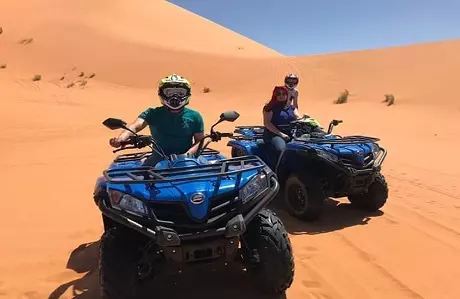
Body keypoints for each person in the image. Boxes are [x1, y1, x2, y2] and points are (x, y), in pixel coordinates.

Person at [109, 74, 205, 167]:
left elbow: (200, 141)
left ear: (187, 94)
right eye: (169, 92)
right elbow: (135, 125)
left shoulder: (194, 116)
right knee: (141, 179)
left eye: (180, 93)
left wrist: (186, 155)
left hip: (187, 160)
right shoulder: (152, 113)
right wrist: (121, 138)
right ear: (162, 94)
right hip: (158, 159)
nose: (175, 96)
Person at [262, 85, 302, 170]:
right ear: (274, 95)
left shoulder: (291, 108)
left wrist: (304, 119)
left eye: (284, 94)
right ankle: (276, 170)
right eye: (278, 94)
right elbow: (267, 123)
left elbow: (298, 117)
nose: (281, 96)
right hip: (273, 134)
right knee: (281, 149)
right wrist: (281, 134)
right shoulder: (269, 108)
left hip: (290, 133)